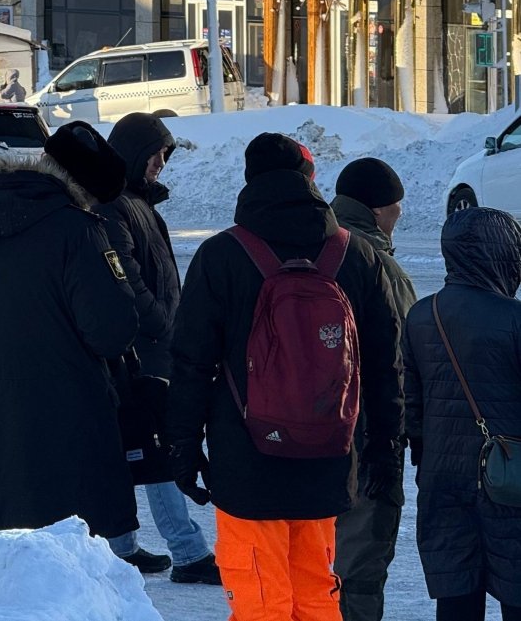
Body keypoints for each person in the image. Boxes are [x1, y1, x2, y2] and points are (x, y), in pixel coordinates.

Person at [165, 133, 403, 621]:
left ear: (251, 182)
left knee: (258, 597)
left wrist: (184, 448)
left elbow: (191, 362)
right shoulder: (355, 255)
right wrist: (383, 448)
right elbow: (384, 365)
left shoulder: (221, 256)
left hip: (245, 457)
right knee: (317, 591)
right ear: (309, 180)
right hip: (328, 454)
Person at [0, 121, 139, 540]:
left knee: (19, 578)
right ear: (83, 191)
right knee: (86, 587)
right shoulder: (80, 233)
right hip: (75, 438)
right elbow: (111, 332)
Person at [95, 112, 219, 583]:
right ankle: (188, 552)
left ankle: (122, 547)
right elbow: (124, 276)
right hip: (139, 352)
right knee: (155, 449)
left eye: (165, 154)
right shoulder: (116, 207)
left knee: (138, 450)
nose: (161, 162)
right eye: (155, 153)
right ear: (132, 153)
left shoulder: (137, 203)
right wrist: (162, 321)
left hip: (151, 348)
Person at [403, 207, 521, 621]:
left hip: (442, 478)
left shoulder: (421, 314)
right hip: (511, 481)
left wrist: (426, 456)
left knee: (456, 598)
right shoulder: (515, 318)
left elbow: (412, 406)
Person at [331, 157, 417, 621]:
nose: (400, 213)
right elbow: (406, 355)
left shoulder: (310, 243)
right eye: (395, 205)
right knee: (360, 560)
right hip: (367, 431)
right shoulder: (377, 264)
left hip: (294, 429)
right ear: (376, 209)